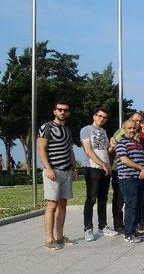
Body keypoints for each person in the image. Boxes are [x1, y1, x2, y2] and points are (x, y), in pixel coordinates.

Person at [38, 101, 79, 250]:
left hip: (67, 171)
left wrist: (74, 169)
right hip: (53, 171)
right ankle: (49, 239)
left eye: (65, 110)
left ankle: (59, 237)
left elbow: (70, 151)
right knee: (52, 205)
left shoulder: (67, 130)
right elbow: (41, 149)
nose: (62, 112)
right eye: (59, 109)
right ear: (54, 111)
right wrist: (47, 168)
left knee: (63, 204)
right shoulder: (46, 127)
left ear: (68, 113)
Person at [80, 107, 118, 242]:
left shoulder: (103, 131)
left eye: (104, 117)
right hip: (93, 168)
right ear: (94, 116)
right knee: (91, 198)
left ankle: (103, 226)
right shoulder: (86, 130)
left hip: (105, 169)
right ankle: (88, 228)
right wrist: (102, 164)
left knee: (103, 198)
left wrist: (112, 145)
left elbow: (106, 150)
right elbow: (88, 151)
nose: (102, 119)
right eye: (99, 116)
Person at [109, 111, 143, 234]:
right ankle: (120, 226)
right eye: (135, 121)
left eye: (139, 122)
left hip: (136, 174)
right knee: (121, 200)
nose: (137, 124)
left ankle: (131, 227)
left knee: (134, 202)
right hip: (122, 173)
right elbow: (120, 155)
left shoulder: (136, 138)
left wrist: (143, 168)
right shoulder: (121, 135)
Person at [115, 120, 144, 243]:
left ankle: (133, 230)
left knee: (139, 205)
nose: (132, 130)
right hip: (128, 179)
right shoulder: (121, 143)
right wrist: (140, 168)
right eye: (129, 128)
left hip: (140, 178)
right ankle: (128, 234)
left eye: (134, 128)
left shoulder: (137, 143)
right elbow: (124, 160)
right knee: (131, 206)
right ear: (124, 129)